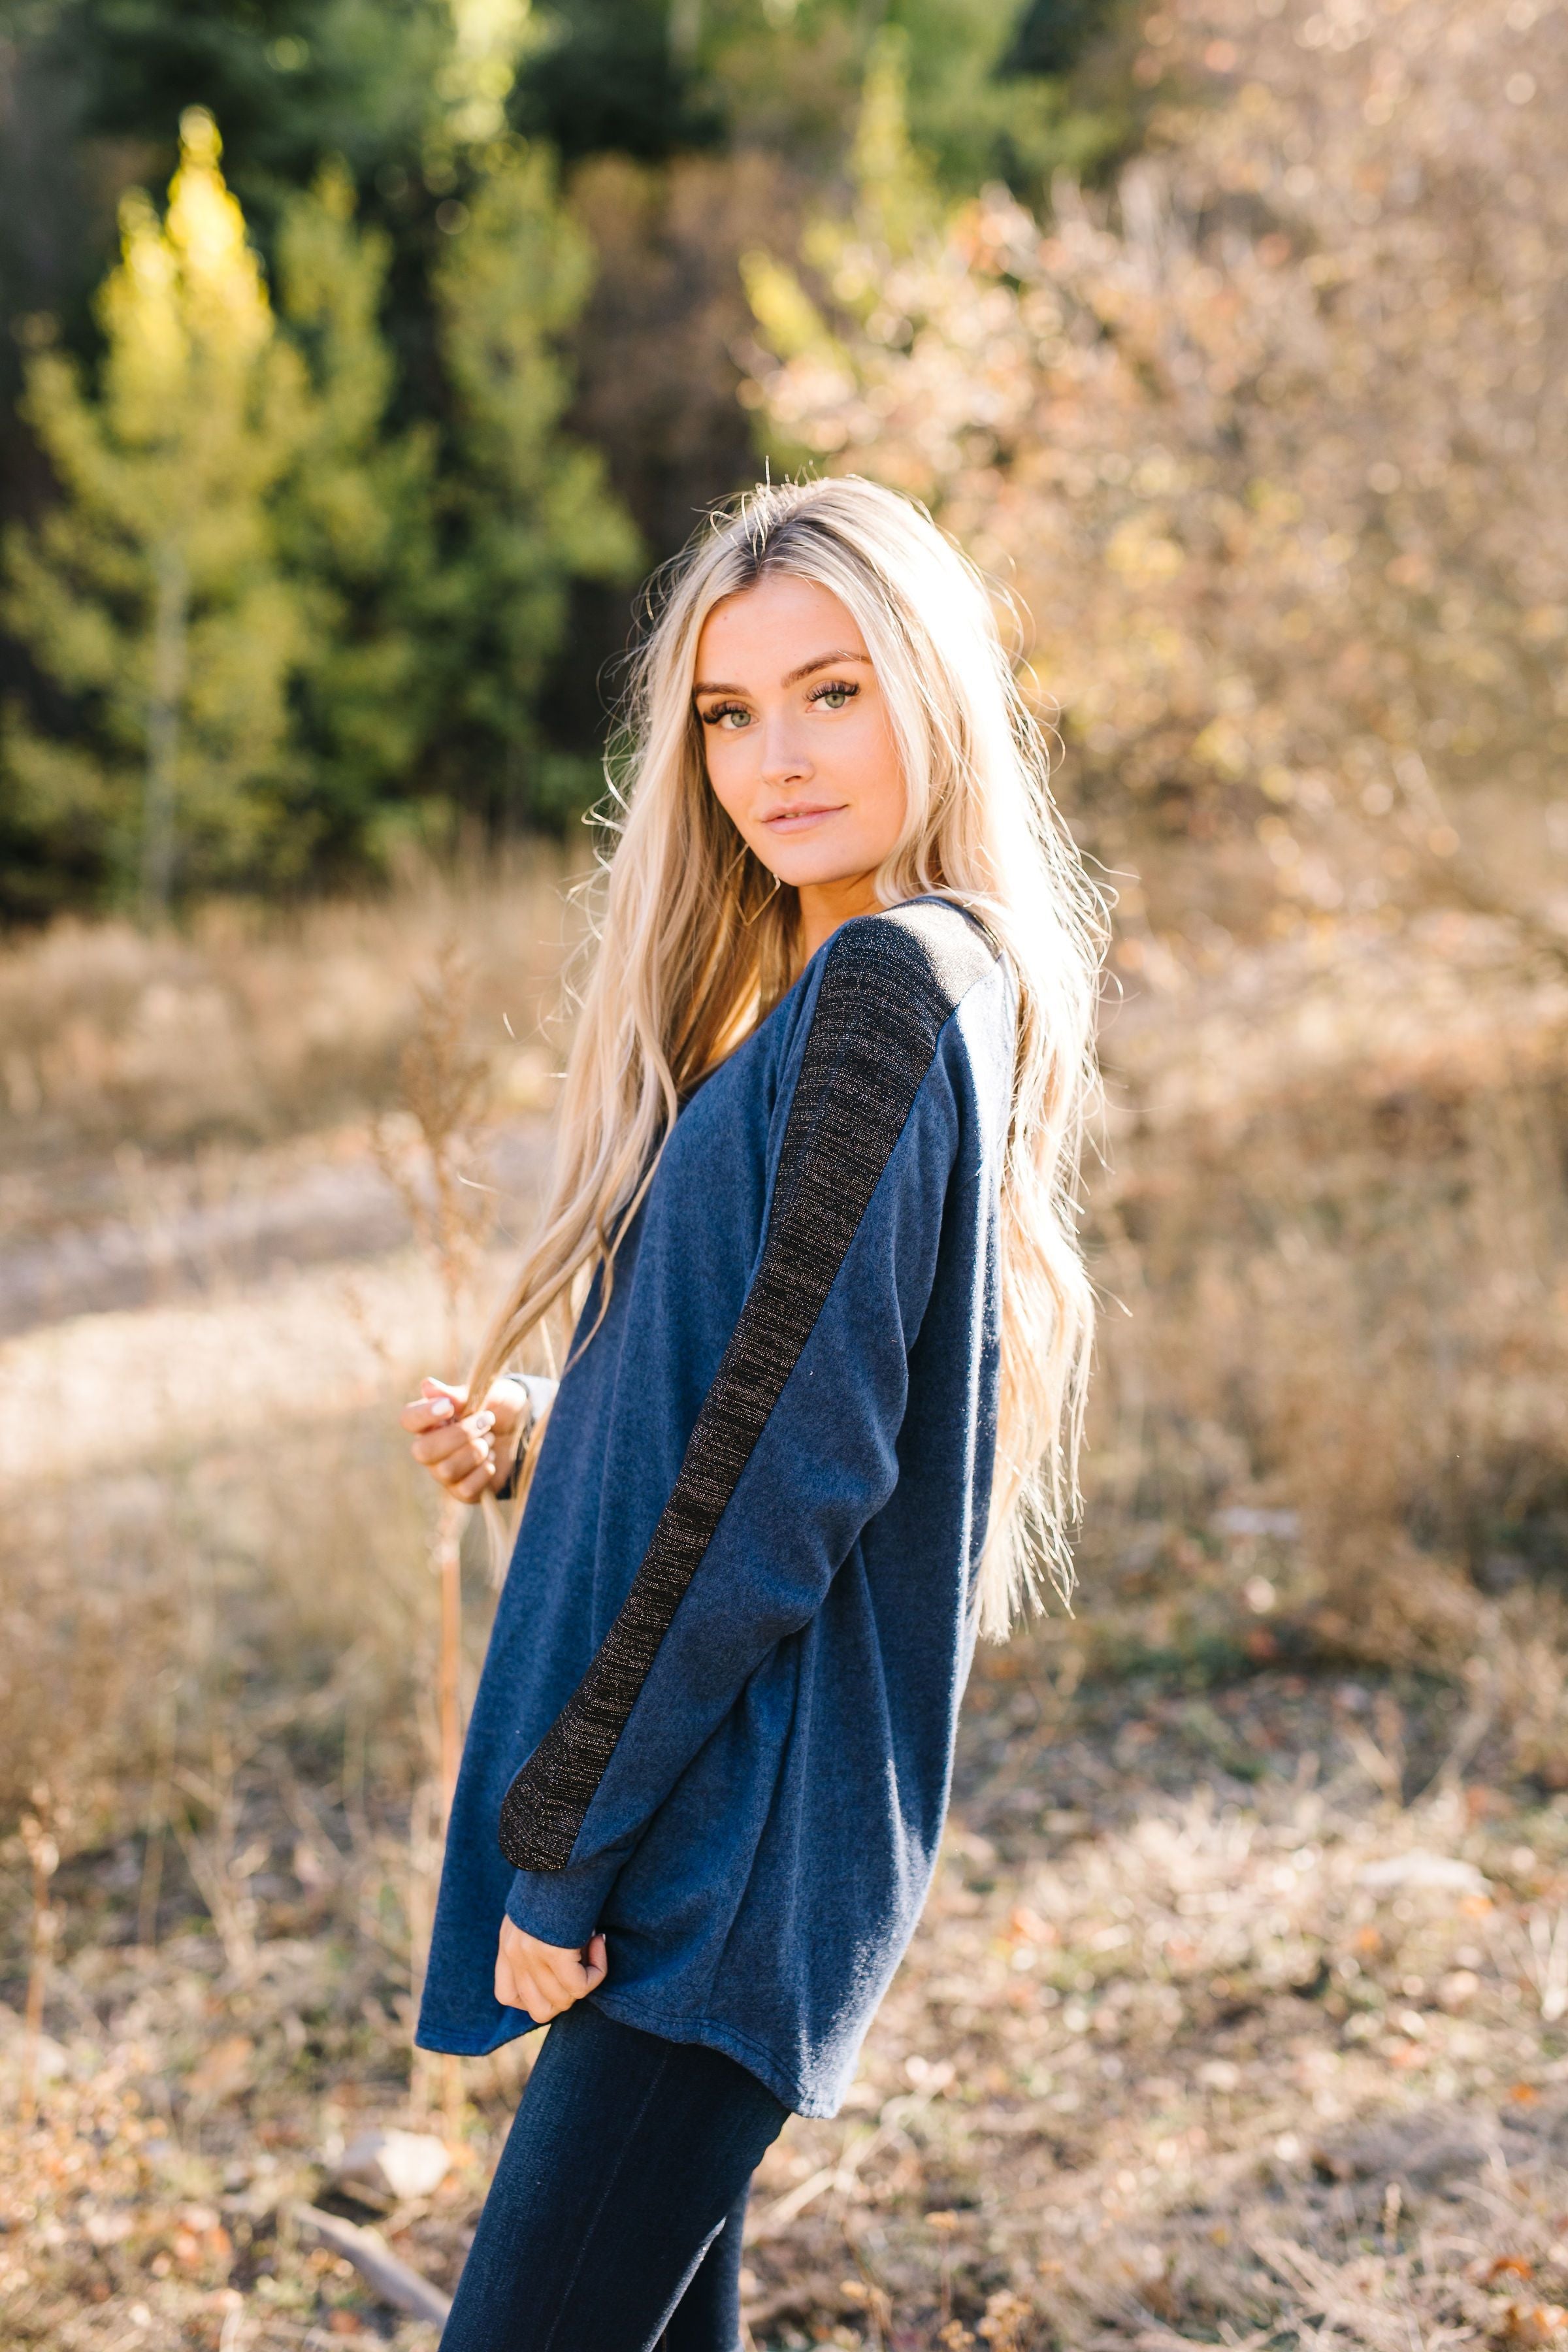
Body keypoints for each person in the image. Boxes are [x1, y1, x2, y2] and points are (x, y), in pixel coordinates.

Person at [401, 476, 1103, 2351]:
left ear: (935, 698)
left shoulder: (887, 991)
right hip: (723, 1837)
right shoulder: (869, 990)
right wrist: (556, 1427)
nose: (771, 759)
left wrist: (567, 1849)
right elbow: (768, 1382)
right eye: (728, 714)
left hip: (712, 1860)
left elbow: (799, 1476)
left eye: (833, 693)